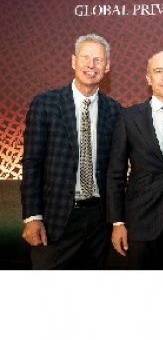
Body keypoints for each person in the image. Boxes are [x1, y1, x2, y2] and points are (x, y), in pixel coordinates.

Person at [21, 33, 121, 269]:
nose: (91, 65)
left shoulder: (115, 110)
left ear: (107, 67)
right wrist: (32, 216)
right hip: (54, 220)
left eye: (98, 60)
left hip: (98, 222)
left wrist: (116, 219)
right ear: (73, 61)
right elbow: (32, 163)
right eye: (85, 58)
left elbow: (115, 170)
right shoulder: (45, 104)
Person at [107, 51, 163, 269]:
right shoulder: (129, 118)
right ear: (148, 79)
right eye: (158, 71)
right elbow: (115, 174)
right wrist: (117, 222)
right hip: (140, 221)